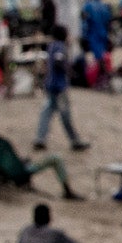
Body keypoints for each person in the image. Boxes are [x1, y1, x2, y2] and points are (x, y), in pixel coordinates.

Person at [33, 25, 89, 153]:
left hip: (50, 84)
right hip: (59, 86)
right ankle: (75, 140)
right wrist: (68, 70)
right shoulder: (59, 46)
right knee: (65, 114)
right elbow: (59, 61)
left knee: (46, 112)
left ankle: (40, 138)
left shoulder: (51, 45)